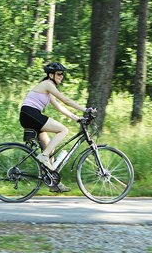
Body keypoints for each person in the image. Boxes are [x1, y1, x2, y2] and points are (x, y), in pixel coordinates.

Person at [19, 62, 96, 193]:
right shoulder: (48, 84)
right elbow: (66, 100)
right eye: (59, 74)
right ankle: (43, 157)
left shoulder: (48, 91)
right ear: (51, 74)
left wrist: (77, 118)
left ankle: (53, 183)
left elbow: (61, 107)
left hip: (30, 115)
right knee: (63, 130)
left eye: (62, 74)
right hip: (30, 113)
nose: (61, 77)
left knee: (51, 148)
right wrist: (86, 109)